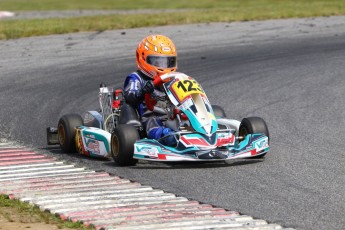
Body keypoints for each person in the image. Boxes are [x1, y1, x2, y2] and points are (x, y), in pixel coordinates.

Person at [123, 34, 178, 146]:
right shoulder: (136, 78)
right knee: (154, 122)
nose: (164, 66)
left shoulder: (174, 79)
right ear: (142, 58)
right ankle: (168, 136)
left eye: (169, 62)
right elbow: (131, 98)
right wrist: (144, 90)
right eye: (158, 62)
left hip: (171, 115)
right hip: (149, 117)